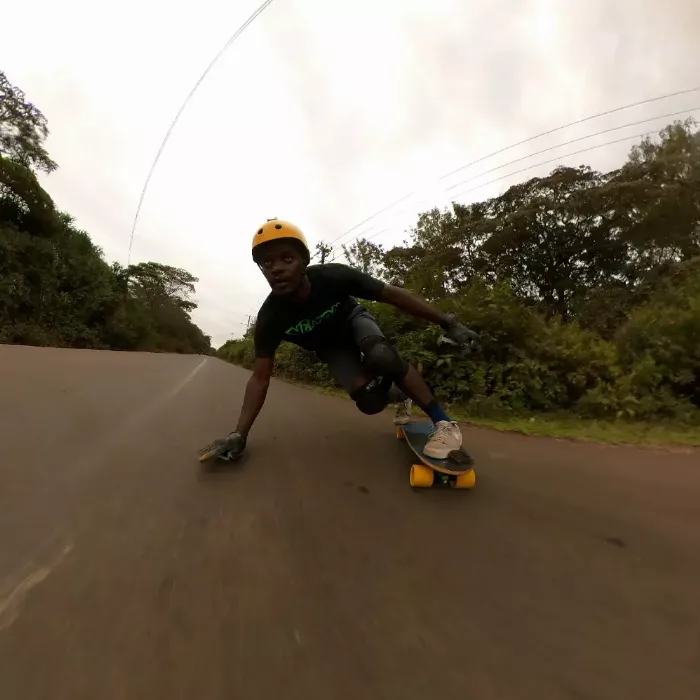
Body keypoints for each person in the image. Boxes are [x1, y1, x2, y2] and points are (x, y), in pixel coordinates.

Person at [199, 218, 480, 463]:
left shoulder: (333, 276)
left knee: (381, 355)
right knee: (370, 403)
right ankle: (402, 393)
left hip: (353, 320)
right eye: (267, 263)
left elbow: (393, 294)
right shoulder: (271, 317)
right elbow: (259, 378)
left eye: (287, 258)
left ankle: (444, 423)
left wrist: (448, 323)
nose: (277, 268)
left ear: (305, 261)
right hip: (331, 349)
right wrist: (239, 434)